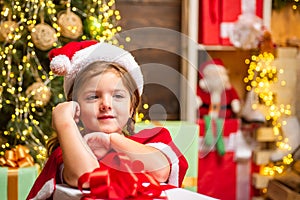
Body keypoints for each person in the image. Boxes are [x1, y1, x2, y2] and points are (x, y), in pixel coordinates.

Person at [27, 40, 188, 199]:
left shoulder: (150, 140)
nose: (106, 104)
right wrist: (65, 123)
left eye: (117, 96)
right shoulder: (72, 150)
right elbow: (85, 176)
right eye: (93, 97)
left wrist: (112, 140)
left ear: (131, 107)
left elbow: (160, 171)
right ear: (76, 108)